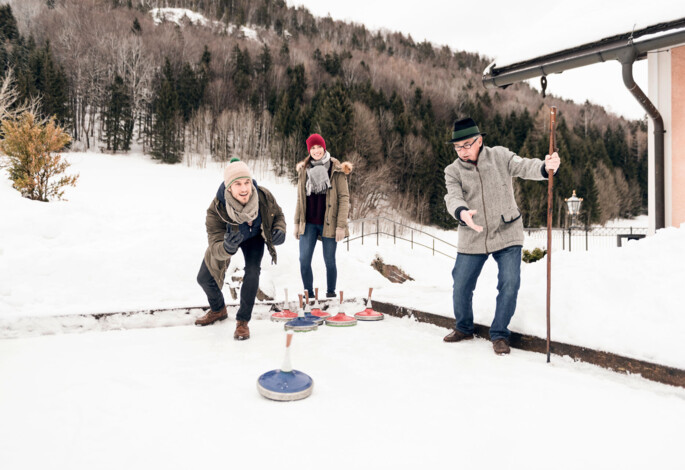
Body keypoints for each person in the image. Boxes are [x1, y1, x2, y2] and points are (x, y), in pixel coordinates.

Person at [443, 117, 561, 355]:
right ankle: (464, 327)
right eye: (458, 147)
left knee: (510, 283)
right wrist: (462, 212)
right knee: (461, 286)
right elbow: (452, 197)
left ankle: (499, 334)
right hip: (472, 233)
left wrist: (545, 167)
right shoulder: (453, 171)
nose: (462, 151)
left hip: (507, 230)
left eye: (467, 144)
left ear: (480, 140)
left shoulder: (500, 156)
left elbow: (524, 166)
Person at [195, 157, 286, 340]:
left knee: (252, 272)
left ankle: (242, 322)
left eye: (247, 182)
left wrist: (279, 230)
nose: (244, 188)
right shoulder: (216, 210)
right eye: (238, 184)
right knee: (203, 278)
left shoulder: (263, 196)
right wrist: (227, 247)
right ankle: (218, 309)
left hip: (254, 239)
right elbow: (214, 245)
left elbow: (278, 215)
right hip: (228, 241)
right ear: (229, 187)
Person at [293, 133, 352, 300]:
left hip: (329, 223)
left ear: (324, 147)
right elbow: (300, 198)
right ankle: (309, 295)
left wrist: (341, 225)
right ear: (309, 150)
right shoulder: (304, 169)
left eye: (319, 147)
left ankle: (331, 294)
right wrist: (297, 223)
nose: (316, 150)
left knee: (329, 260)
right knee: (304, 260)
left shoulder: (336, 169)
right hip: (309, 222)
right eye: (313, 148)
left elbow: (344, 197)